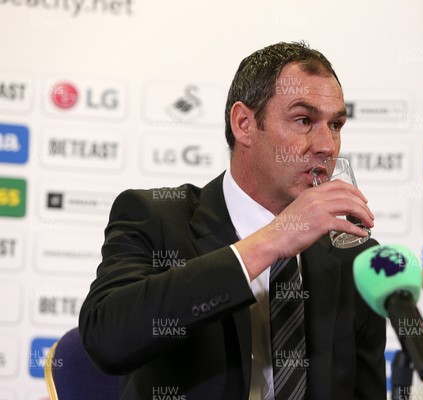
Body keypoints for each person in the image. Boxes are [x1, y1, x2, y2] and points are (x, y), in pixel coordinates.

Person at [79, 41, 386, 400]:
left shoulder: (352, 255)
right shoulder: (158, 218)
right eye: (304, 120)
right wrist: (271, 241)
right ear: (244, 124)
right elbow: (107, 340)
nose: (327, 146)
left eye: (335, 124)